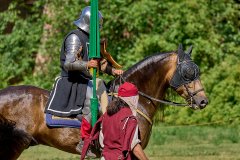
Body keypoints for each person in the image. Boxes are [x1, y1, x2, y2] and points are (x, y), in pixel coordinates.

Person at [44, 6, 123, 155]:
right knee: (92, 100)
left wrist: (113, 71)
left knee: (110, 96)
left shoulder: (92, 40)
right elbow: (68, 63)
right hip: (72, 82)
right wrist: (86, 64)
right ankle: (84, 141)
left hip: (86, 81)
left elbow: (99, 64)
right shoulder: (75, 37)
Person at [81, 82, 148, 160]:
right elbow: (135, 147)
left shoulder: (106, 115)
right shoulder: (130, 119)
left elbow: (102, 142)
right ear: (133, 99)